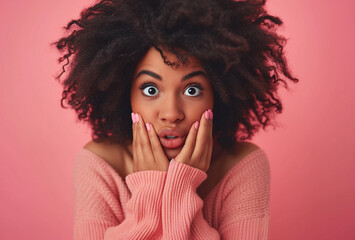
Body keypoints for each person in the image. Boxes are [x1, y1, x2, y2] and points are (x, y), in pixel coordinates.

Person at [54, 0, 297, 239]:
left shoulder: (242, 167)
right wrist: (151, 188)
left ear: (218, 94)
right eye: (150, 90)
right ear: (125, 93)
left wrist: (181, 187)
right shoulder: (100, 166)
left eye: (192, 90)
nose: (171, 114)